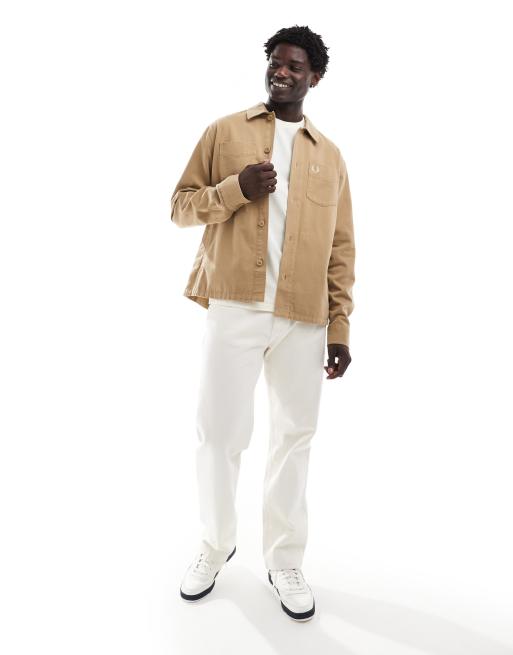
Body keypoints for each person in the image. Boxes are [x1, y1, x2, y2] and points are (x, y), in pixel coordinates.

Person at [170, 24, 355, 622]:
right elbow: (180, 206)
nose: (282, 71)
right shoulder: (224, 132)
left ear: (314, 77)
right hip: (235, 305)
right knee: (219, 434)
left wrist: (339, 327)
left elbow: (341, 249)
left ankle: (284, 560)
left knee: (294, 438)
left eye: (295, 65)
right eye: (276, 61)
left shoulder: (330, 157)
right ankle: (215, 542)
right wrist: (234, 189)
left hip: (304, 317)